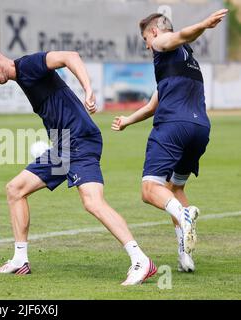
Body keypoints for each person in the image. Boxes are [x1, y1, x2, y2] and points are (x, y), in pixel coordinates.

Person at [0, 42, 156, 285]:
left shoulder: (28, 65)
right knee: (15, 190)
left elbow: (70, 56)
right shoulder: (22, 78)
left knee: (92, 202)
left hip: (79, 140)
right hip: (63, 146)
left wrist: (88, 90)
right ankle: (19, 260)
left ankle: (140, 259)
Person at [111, 9, 228, 272]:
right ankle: (185, 255)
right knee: (175, 188)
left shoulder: (162, 43)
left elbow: (181, 35)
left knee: (149, 190)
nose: (146, 45)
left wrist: (204, 25)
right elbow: (155, 103)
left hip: (173, 127)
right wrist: (128, 120)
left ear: (153, 32)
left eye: (145, 39)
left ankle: (185, 215)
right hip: (199, 130)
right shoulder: (187, 60)